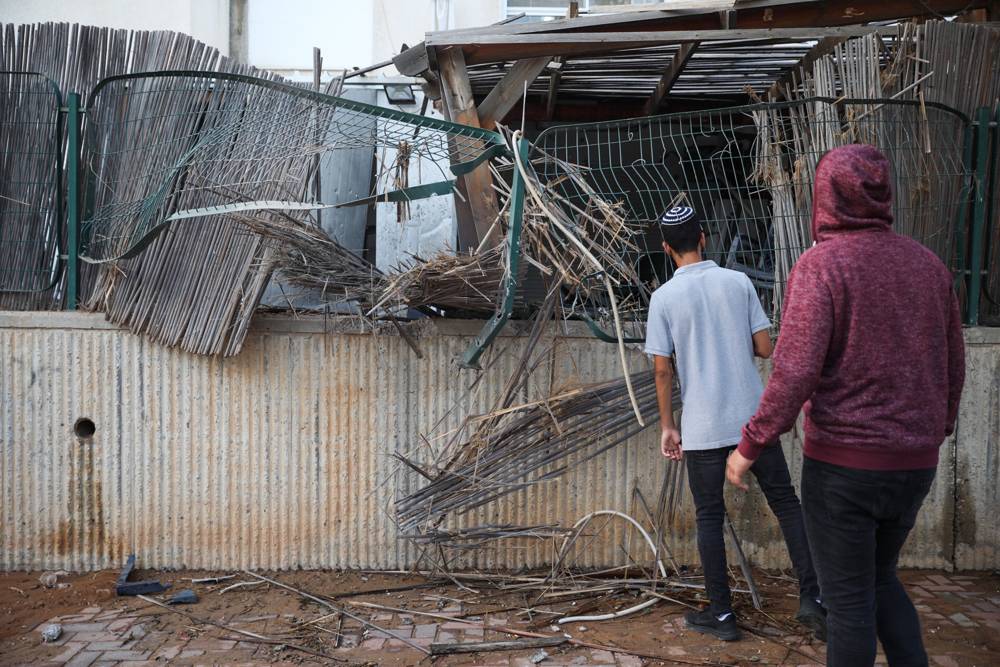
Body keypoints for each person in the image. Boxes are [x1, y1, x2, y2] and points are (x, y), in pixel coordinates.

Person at [726, 144, 965, 666]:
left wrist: (751, 443)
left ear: (825, 195)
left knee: (850, 602)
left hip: (844, 468)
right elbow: (953, 363)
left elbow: (795, 369)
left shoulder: (821, 266)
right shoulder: (930, 267)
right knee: (879, 580)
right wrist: (935, 429)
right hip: (915, 464)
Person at [645, 205, 825, 642]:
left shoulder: (663, 298)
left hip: (703, 427)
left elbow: (663, 371)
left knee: (710, 517)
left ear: (667, 248)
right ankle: (813, 600)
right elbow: (765, 348)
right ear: (703, 237)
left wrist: (669, 426)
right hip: (752, 422)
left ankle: (723, 617)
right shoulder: (739, 282)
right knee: (787, 504)